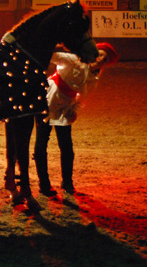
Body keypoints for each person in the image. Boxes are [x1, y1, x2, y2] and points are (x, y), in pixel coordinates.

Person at [34, 43, 119, 196]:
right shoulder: (73, 60)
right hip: (46, 102)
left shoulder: (93, 78)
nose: (100, 60)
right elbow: (51, 55)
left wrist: (74, 111)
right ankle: (44, 184)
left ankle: (67, 182)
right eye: (99, 55)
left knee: (66, 146)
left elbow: (81, 98)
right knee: (41, 142)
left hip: (64, 109)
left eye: (105, 59)